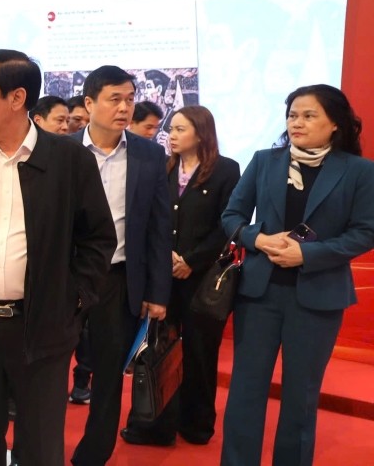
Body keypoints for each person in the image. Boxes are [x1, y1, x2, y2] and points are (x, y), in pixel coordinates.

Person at [0, 50, 115, 466]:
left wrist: (74, 299)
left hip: (43, 326)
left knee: (40, 444)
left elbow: (98, 239)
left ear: (17, 98)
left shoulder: (69, 159)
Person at [220, 84, 374, 466]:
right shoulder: (264, 161)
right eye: (292, 115)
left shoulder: (359, 170)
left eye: (308, 115)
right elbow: (232, 217)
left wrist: (307, 254)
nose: (297, 123)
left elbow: (365, 232)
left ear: (335, 123)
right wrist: (259, 239)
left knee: (300, 398)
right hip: (259, 295)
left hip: (318, 298)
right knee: (245, 391)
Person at [120, 105, 241, 446]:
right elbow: (149, 216)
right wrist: (164, 258)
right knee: (158, 351)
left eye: (179, 129)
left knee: (201, 353)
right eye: (170, 129)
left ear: (201, 134)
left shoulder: (226, 170)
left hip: (202, 279)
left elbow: (228, 223)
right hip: (162, 277)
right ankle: (154, 424)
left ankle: (196, 424)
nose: (170, 136)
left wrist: (191, 260)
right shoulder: (163, 166)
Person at [71, 65, 172, 466]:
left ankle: (92, 456)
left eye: (130, 99)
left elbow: (159, 228)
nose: (125, 107)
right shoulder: (60, 150)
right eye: (114, 99)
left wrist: (157, 292)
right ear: (89, 103)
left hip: (118, 278)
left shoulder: (149, 154)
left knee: (110, 373)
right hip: (66, 276)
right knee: (46, 366)